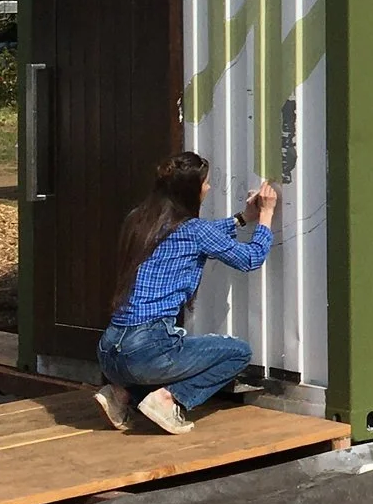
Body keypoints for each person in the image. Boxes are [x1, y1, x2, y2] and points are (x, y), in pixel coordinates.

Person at [96, 153, 277, 435]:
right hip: (144, 351)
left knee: (151, 363)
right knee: (238, 353)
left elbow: (196, 235)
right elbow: (250, 258)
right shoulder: (193, 231)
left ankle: (120, 395)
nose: (208, 188)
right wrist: (265, 216)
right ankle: (169, 399)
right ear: (191, 190)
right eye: (205, 183)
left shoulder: (138, 220)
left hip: (110, 353)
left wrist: (243, 218)